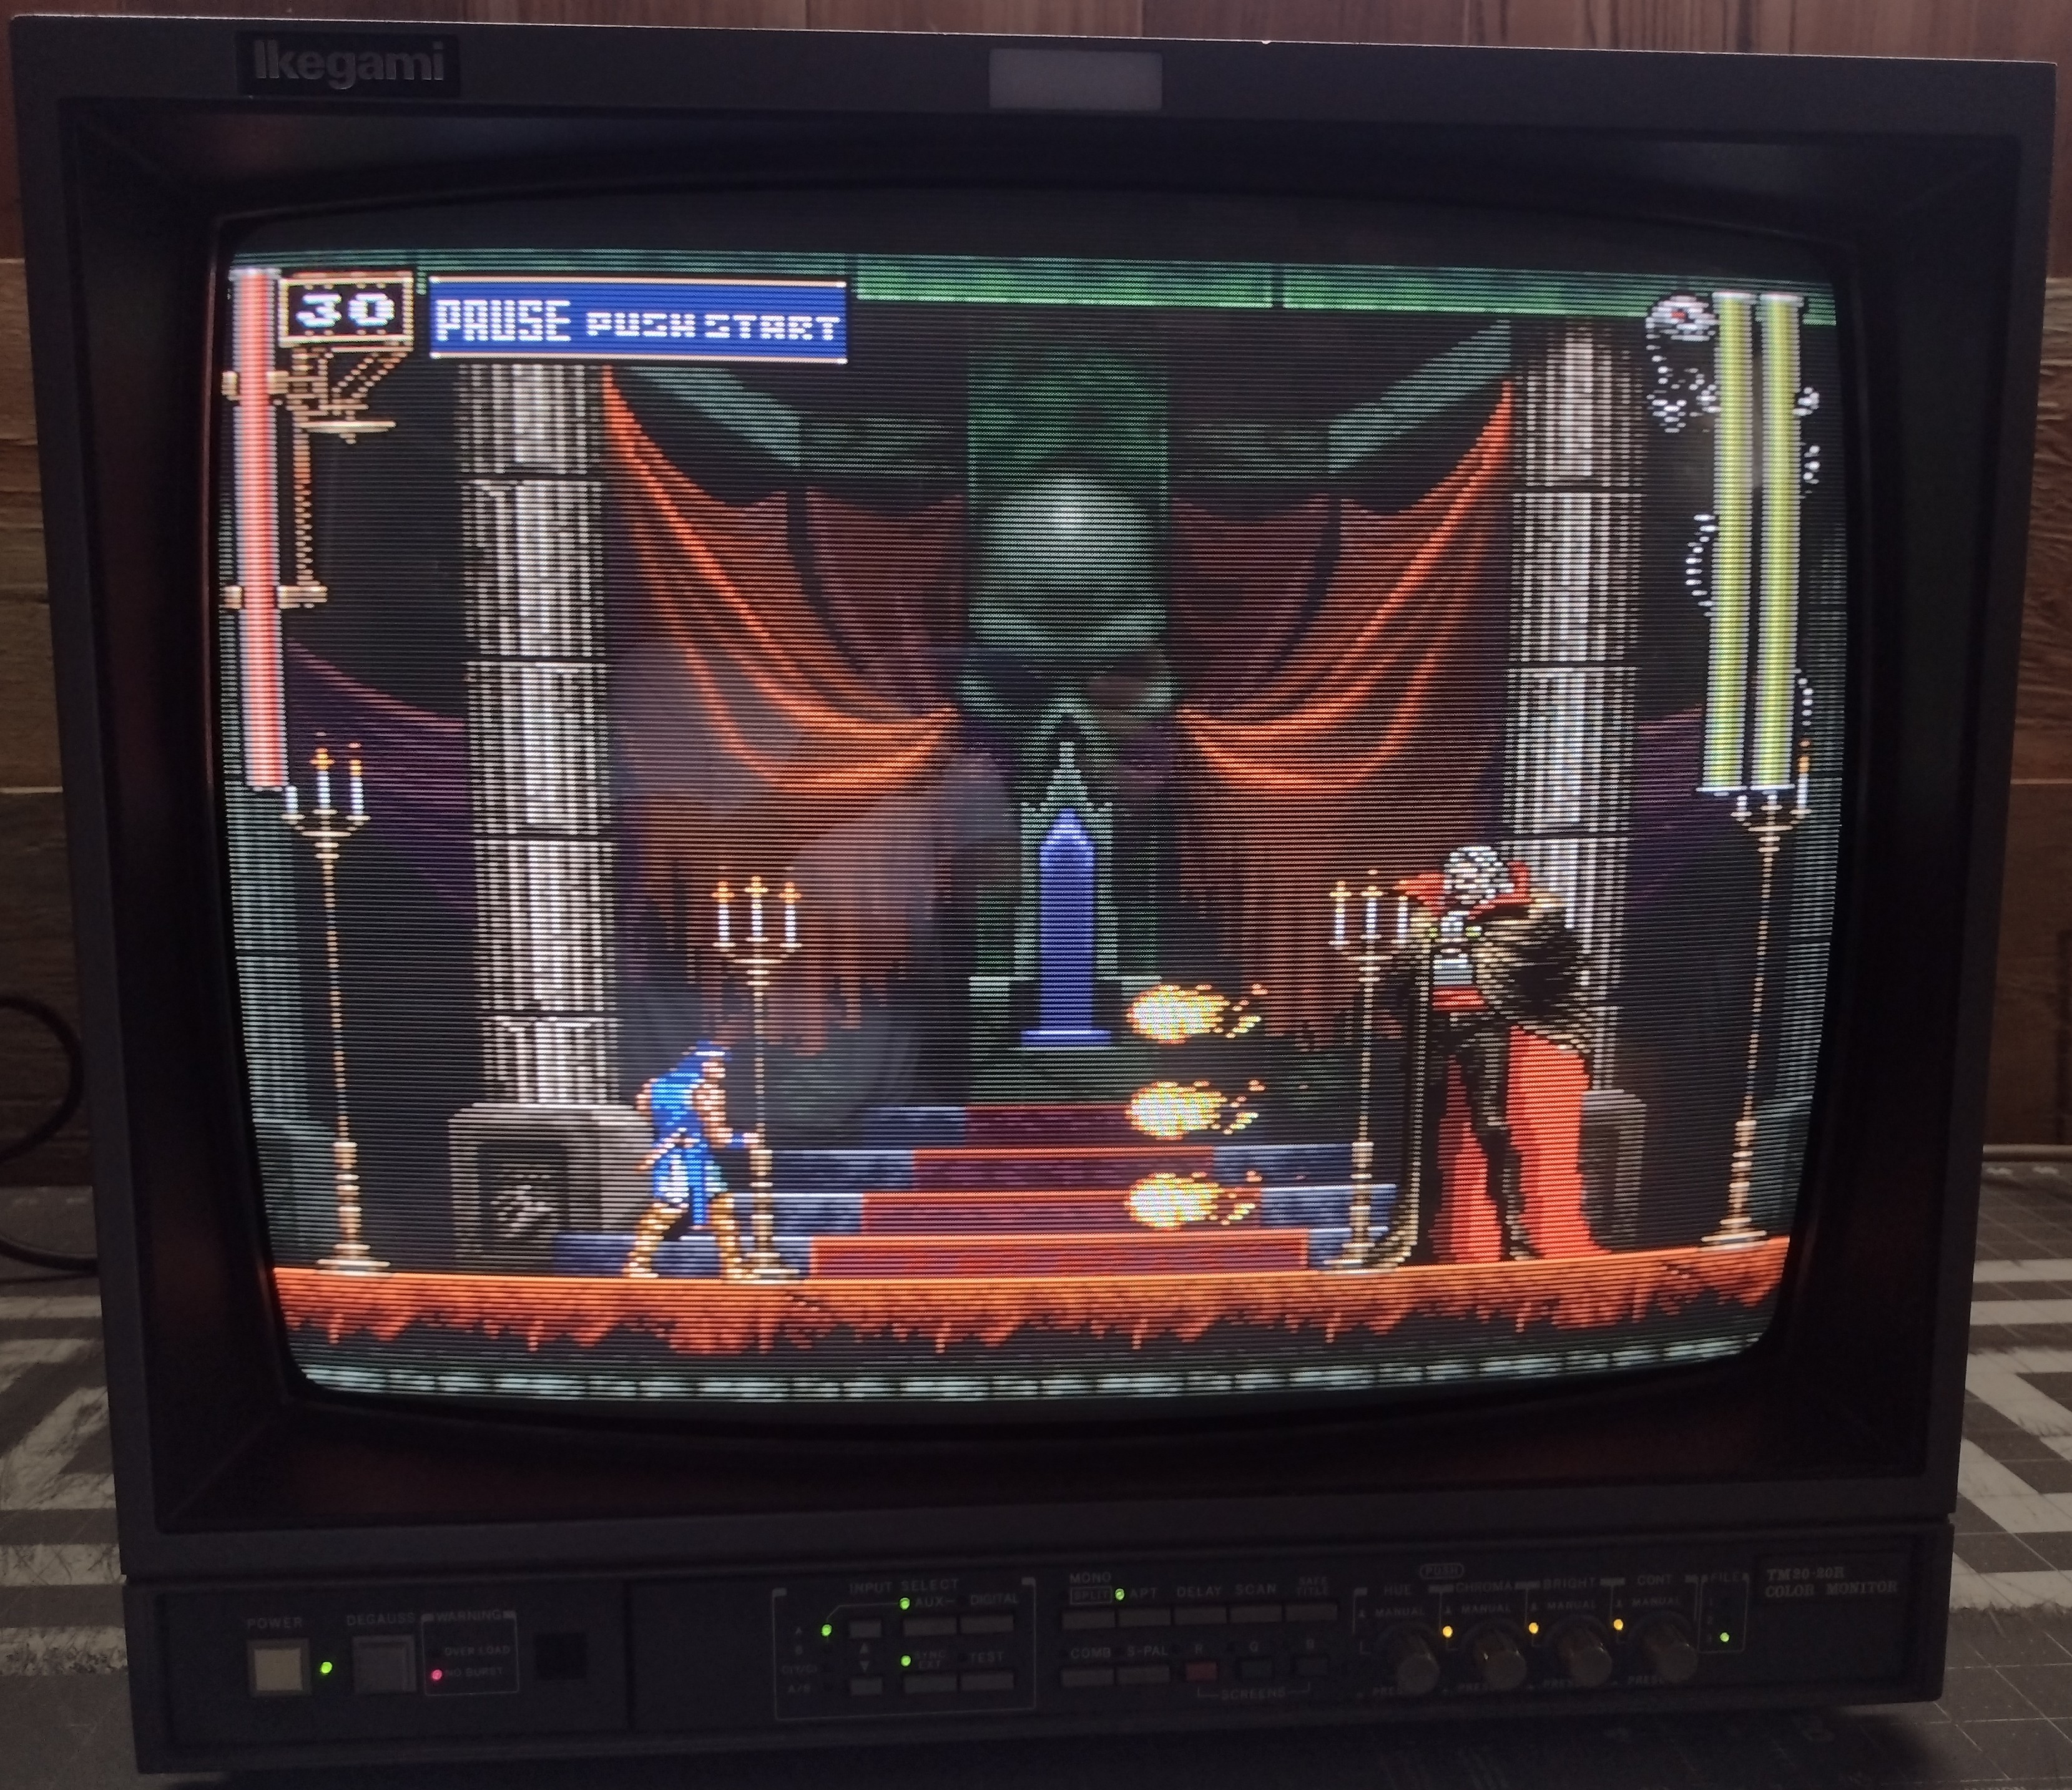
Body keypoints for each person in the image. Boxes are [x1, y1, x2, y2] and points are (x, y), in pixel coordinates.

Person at [1384, 846, 1599, 1265]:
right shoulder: (1425, 919)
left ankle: (1514, 1234)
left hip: (1484, 1028)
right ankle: (1411, 1236)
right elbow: (1400, 978)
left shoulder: (1527, 918)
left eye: (1470, 875)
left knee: (1492, 1126)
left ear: (1491, 878)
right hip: (1430, 1030)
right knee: (1420, 1132)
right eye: (1455, 875)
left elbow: (1560, 970)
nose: (1460, 883)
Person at [624, 1045, 757, 1279]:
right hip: (684, 1161)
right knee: (668, 1209)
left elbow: (647, 1113)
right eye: (717, 1064)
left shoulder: (658, 1086)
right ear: (702, 1064)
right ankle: (637, 1262)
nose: (723, 1070)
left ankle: (734, 1266)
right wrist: (744, 1140)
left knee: (720, 1208)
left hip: (680, 1158)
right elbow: (717, 1136)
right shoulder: (707, 1091)